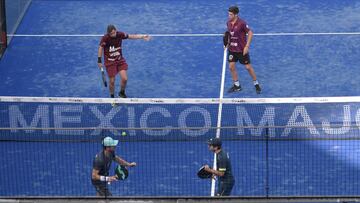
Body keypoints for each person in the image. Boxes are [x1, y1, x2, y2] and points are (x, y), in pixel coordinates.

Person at [98, 24, 151, 98]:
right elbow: (100, 48)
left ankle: (121, 93)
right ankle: (112, 98)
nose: (113, 34)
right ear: (108, 33)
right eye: (111, 33)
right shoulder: (105, 38)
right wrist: (99, 61)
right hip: (110, 62)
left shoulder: (120, 34)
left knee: (124, 79)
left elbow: (130, 36)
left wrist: (142, 36)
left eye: (114, 32)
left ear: (116, 30)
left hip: (119, 60)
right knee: (112, 81)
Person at [225, 6, 261, 94]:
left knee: (248, 67)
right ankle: (237, 85)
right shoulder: (228, 23)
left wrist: (247, 46)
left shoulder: (242, 23)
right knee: (231, 66)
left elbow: (250, 32)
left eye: (231, 14)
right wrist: (227, 43)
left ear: (236, 14)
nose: (229, 16)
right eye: (228, 14)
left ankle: (256, 84)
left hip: (241, 50)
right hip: (232, 49)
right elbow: (229, 34)